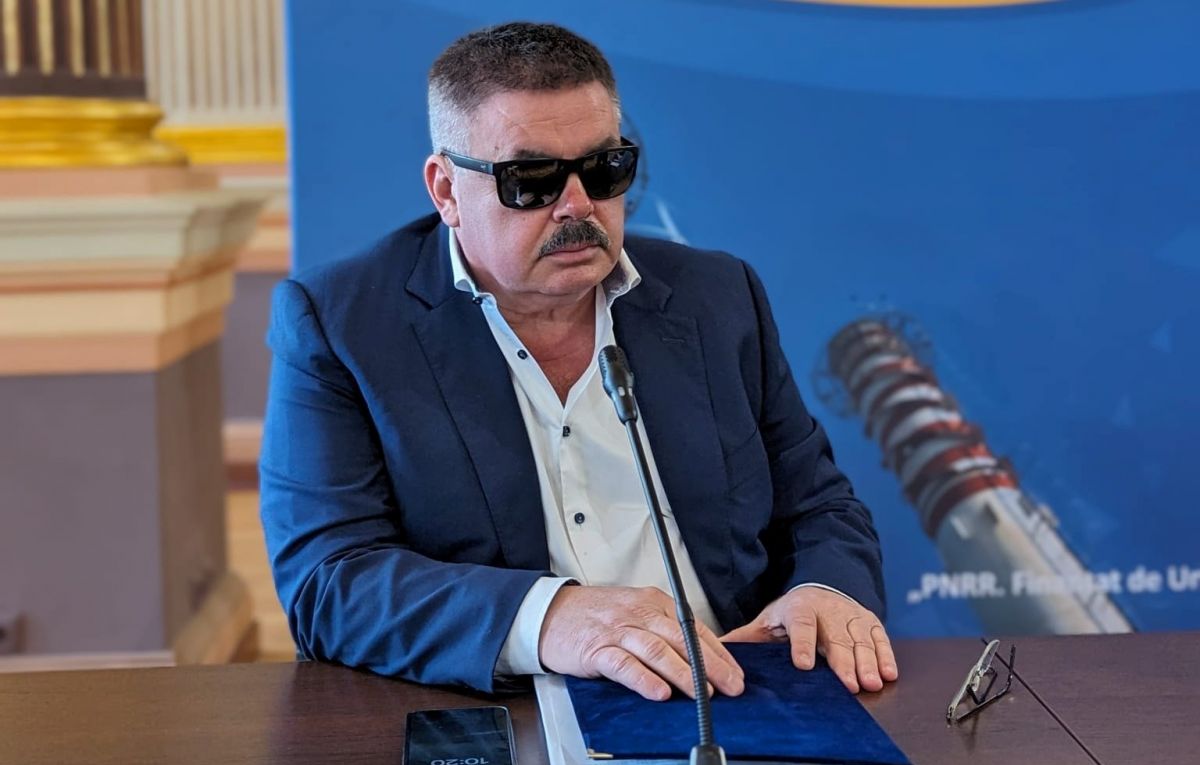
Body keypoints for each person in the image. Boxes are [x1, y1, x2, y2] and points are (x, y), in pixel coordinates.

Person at [260, 21, 897, 702]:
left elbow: (818, 504)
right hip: (509, 703)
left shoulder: (717, 296)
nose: (577, 205)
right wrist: (551, 616)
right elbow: (330, 581)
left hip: (734, 693)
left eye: (603, 169)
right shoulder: (342, 323)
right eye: (531, 180)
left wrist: (825, 591)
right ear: (446, 190)